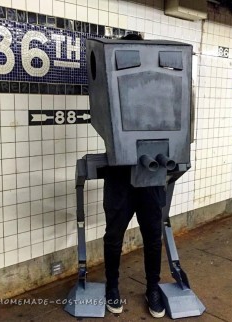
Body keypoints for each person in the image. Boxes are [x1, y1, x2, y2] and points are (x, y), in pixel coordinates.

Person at [103, 33, 166, 318]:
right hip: (120, 175)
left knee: (153, 235)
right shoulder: (110, 86)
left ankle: (152, 288)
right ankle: (112, 287)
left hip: (151, 173)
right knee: (114, 235)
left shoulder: (160, 88)